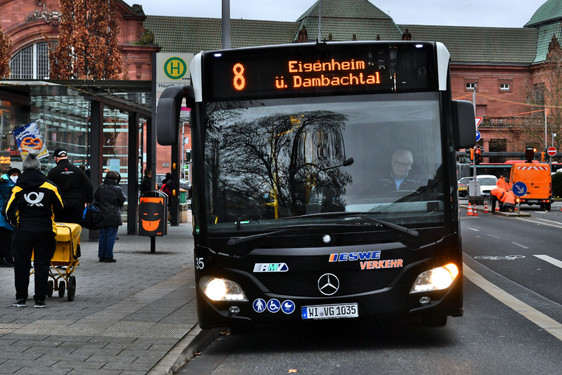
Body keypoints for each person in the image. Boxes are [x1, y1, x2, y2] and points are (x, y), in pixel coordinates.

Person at [3, 151, 64, 308]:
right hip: (45, 230)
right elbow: (60, 207)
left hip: (23, 230)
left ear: (24, 168)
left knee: (22, 264)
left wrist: (16, 223)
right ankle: (39, 299)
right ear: (39, 167)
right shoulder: (50, 186)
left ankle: (21, 298)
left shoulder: (17, 187)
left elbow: (7, 210)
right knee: (41, 264)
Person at [47, 148, 93, 224]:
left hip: (60, 205)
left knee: (61, 228)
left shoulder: (53, 172)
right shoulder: (77, 170)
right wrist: (88, 201)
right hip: (77, 204)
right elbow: (88, 186)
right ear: (66, 157)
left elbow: (49, 188)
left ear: (55, 158)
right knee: (75, 228)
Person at [94, 171, 126, 262]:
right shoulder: (117, 189)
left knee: (102, 235)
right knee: (111, 235)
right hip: (113, 215)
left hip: (102, 214)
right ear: (116, 179)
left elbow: (96, 198)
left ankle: (101, 255)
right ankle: (108, 256)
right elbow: (122, 200)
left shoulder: (101, 187)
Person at [0, 168, 20, 267]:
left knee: (7, 240)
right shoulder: (7, 183)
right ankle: (3, 259)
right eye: (15, 175)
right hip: (3, 216)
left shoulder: (6, 181)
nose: (17, 177)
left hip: (5, 216)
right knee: (5, 240)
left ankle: (7, 258)